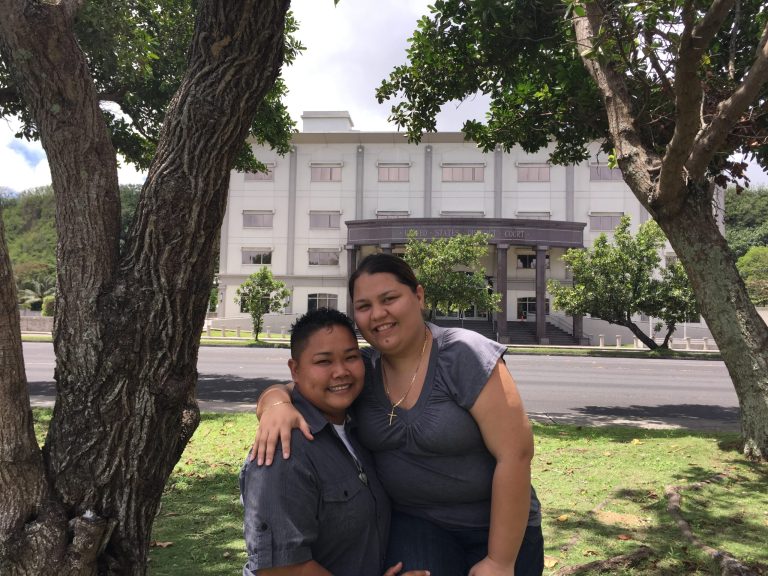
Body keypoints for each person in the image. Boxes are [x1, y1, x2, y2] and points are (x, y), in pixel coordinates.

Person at [254, 254, 543, 576]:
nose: (378, 314)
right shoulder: (360, 367)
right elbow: (303, 382)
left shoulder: (463, 353)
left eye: (389, 299)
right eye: (364, 306)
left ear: (418, 296)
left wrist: (500, 561)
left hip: (500, 526)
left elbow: (516, 454)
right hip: (417, 526)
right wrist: (275, 403)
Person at [240, 307, 429, 576]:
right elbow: (282, 569)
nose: (341, 372)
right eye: (324, 361)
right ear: (295, 370)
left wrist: (275, 398)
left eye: (351, 357)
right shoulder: (285, 448)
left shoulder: (357, 423)